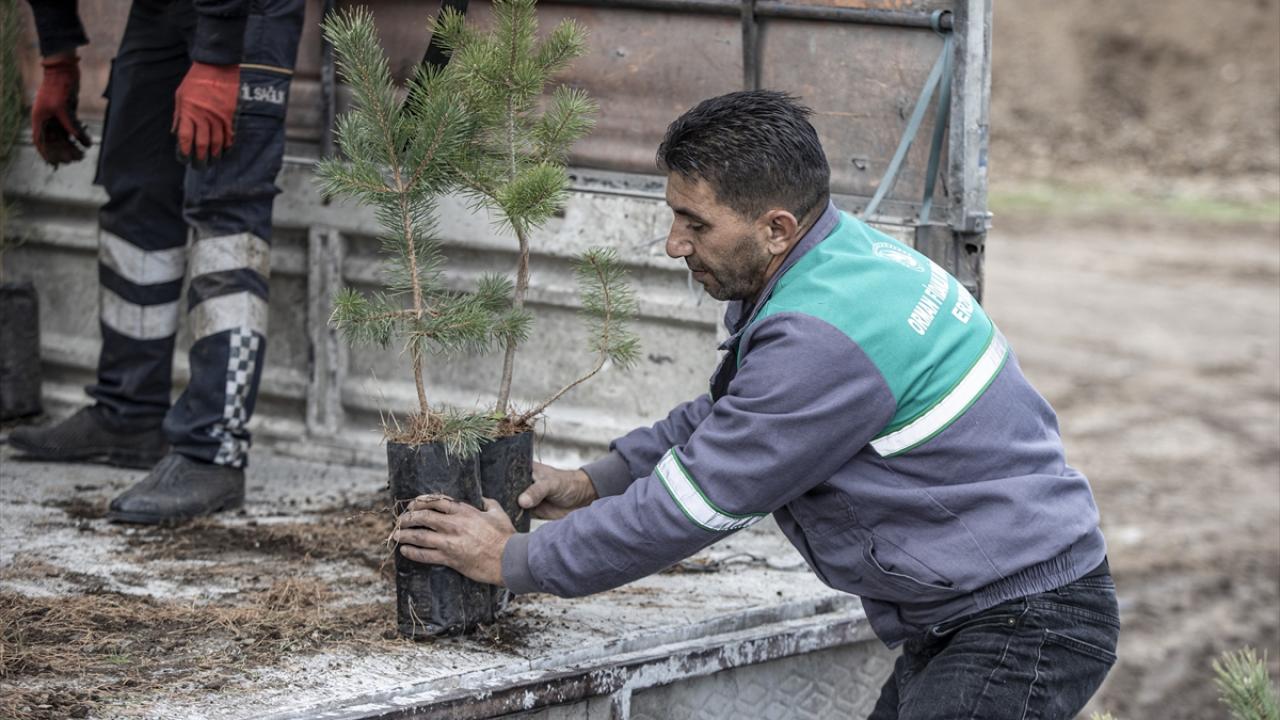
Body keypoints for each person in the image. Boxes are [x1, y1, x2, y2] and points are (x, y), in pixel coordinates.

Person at [391, 90, 1119, 718]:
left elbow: (694, 506)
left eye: (696, 223)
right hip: (987, 606)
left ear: (776, 228)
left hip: (1022, 618)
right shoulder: (835, 261)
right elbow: (735, 415)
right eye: (673, 215)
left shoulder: (823, 339)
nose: (673, 244)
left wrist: (512, 558)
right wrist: (594, 481)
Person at [11, 0, 305, 525]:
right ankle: (129, 413)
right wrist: (57, 58)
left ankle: (213, 450)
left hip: (246, 11)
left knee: (226, 210)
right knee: (137, 191)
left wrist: (218, 58)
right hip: (160, 9)